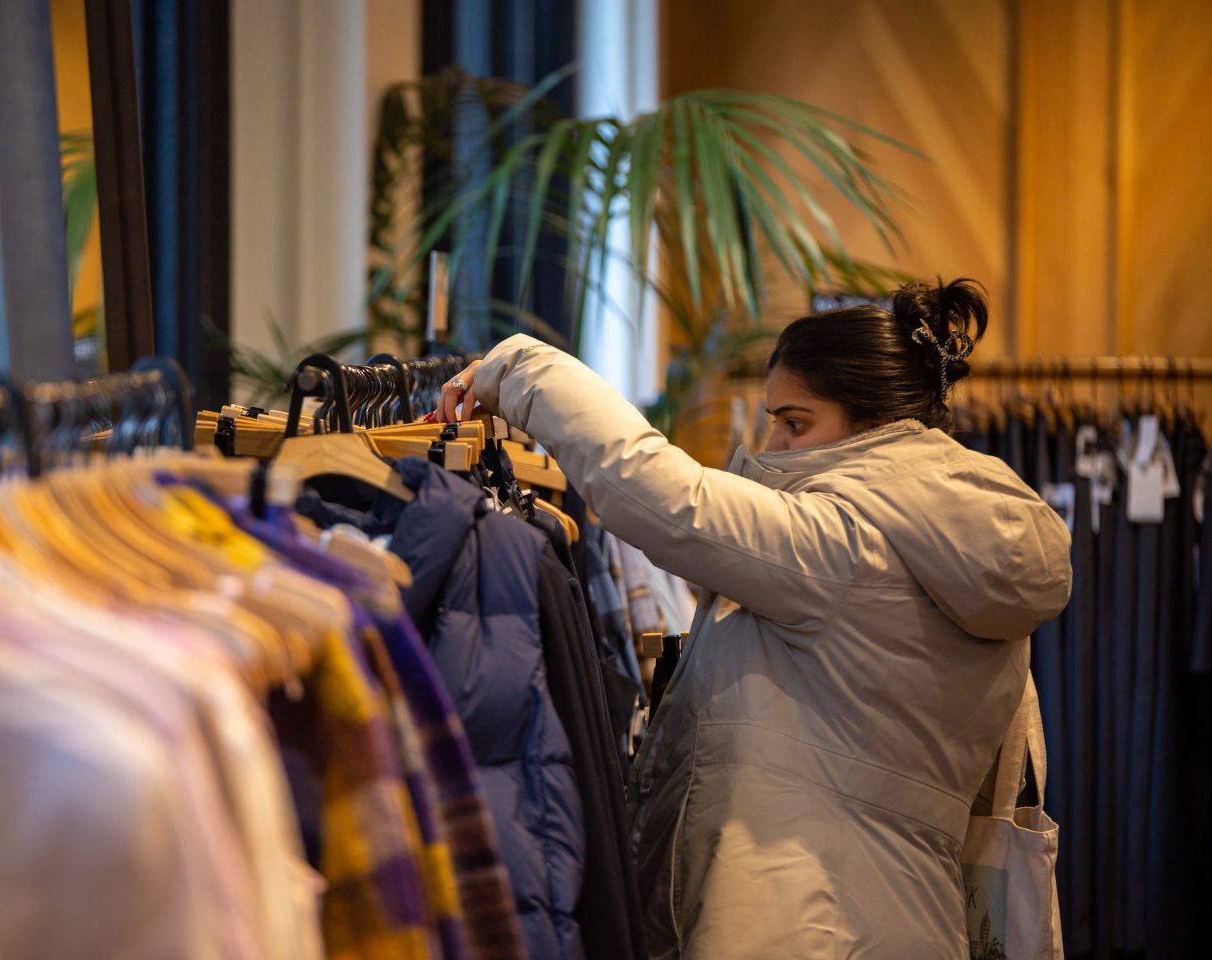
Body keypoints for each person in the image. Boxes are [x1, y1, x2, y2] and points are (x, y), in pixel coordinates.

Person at [435, 278, 1072, 959]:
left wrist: (522, 370)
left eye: (794, 423)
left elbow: (666, 496)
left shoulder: (847, 547)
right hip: (896, 915)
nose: (772, 446)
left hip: (809, 925)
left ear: (877, 423)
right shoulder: (951, 546)